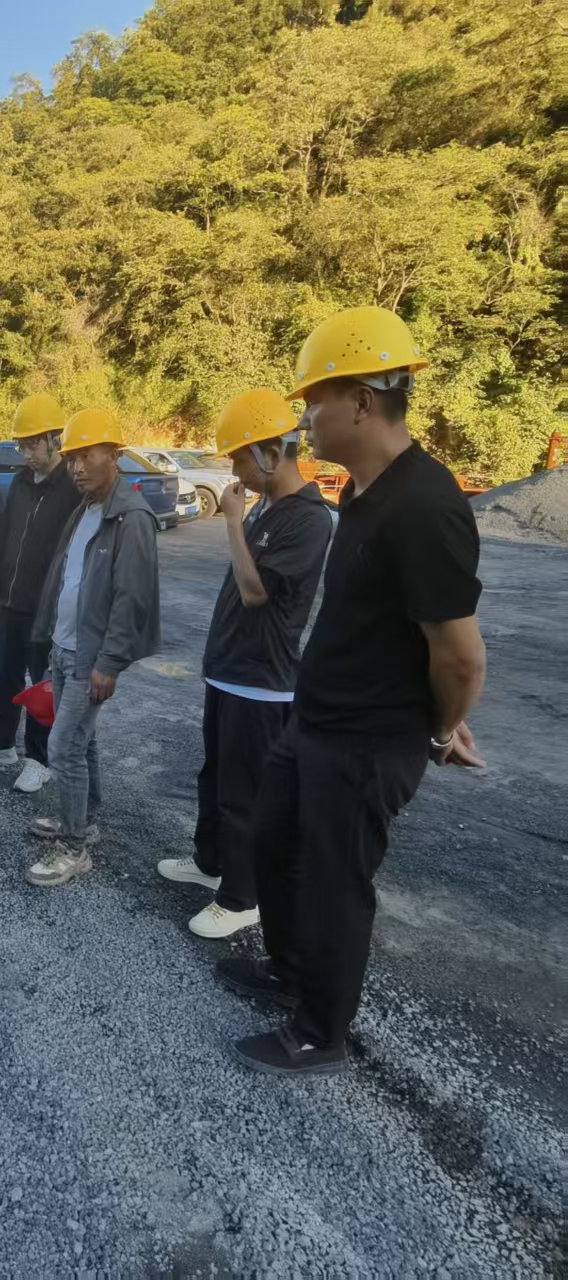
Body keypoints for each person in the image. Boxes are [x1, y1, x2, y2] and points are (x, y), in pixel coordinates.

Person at [223, 306, 486, 1077]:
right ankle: (288, 970)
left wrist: (441, 730)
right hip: (317, 722)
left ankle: (321, 1031)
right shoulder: (367, 493)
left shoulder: (426, 505)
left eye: (314, 400)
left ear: (363, 402)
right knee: (274, 845)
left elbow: (461, 657)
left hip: (370, 741)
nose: (304, 418)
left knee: (336, 883)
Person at [156, 389, 333, 938]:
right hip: (230, 670)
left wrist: (232, 521)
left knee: (245, 794)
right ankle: (211, 863)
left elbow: (257, 593)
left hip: (261, 681)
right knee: (215, 777)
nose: (234, 472)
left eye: (239, 459)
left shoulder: (308, 519)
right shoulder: (269, 507)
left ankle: (241, 898)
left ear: (271, 454)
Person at [24, 408, 160, 888]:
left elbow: (132, 597)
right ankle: (84, 819)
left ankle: (73, 847)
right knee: (84, 741)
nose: (77, 467)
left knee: (63, 747)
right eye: (72, 458)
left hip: (92, 658)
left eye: (87, 456)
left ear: (114, 455)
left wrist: (110, 662)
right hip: (65, 648)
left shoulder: (132, 517)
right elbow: (67, 577)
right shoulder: (85, 509)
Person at [0, 393, 80, 792]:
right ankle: (1, 744)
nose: (27, 454)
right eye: (22, 446)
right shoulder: (20, 482)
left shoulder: (72, 488)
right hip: (11, 602)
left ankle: (38, 759)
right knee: (6, 677)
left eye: (33, 445)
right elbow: (5, 536)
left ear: (54, 439)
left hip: (47, 608)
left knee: (42, 687)